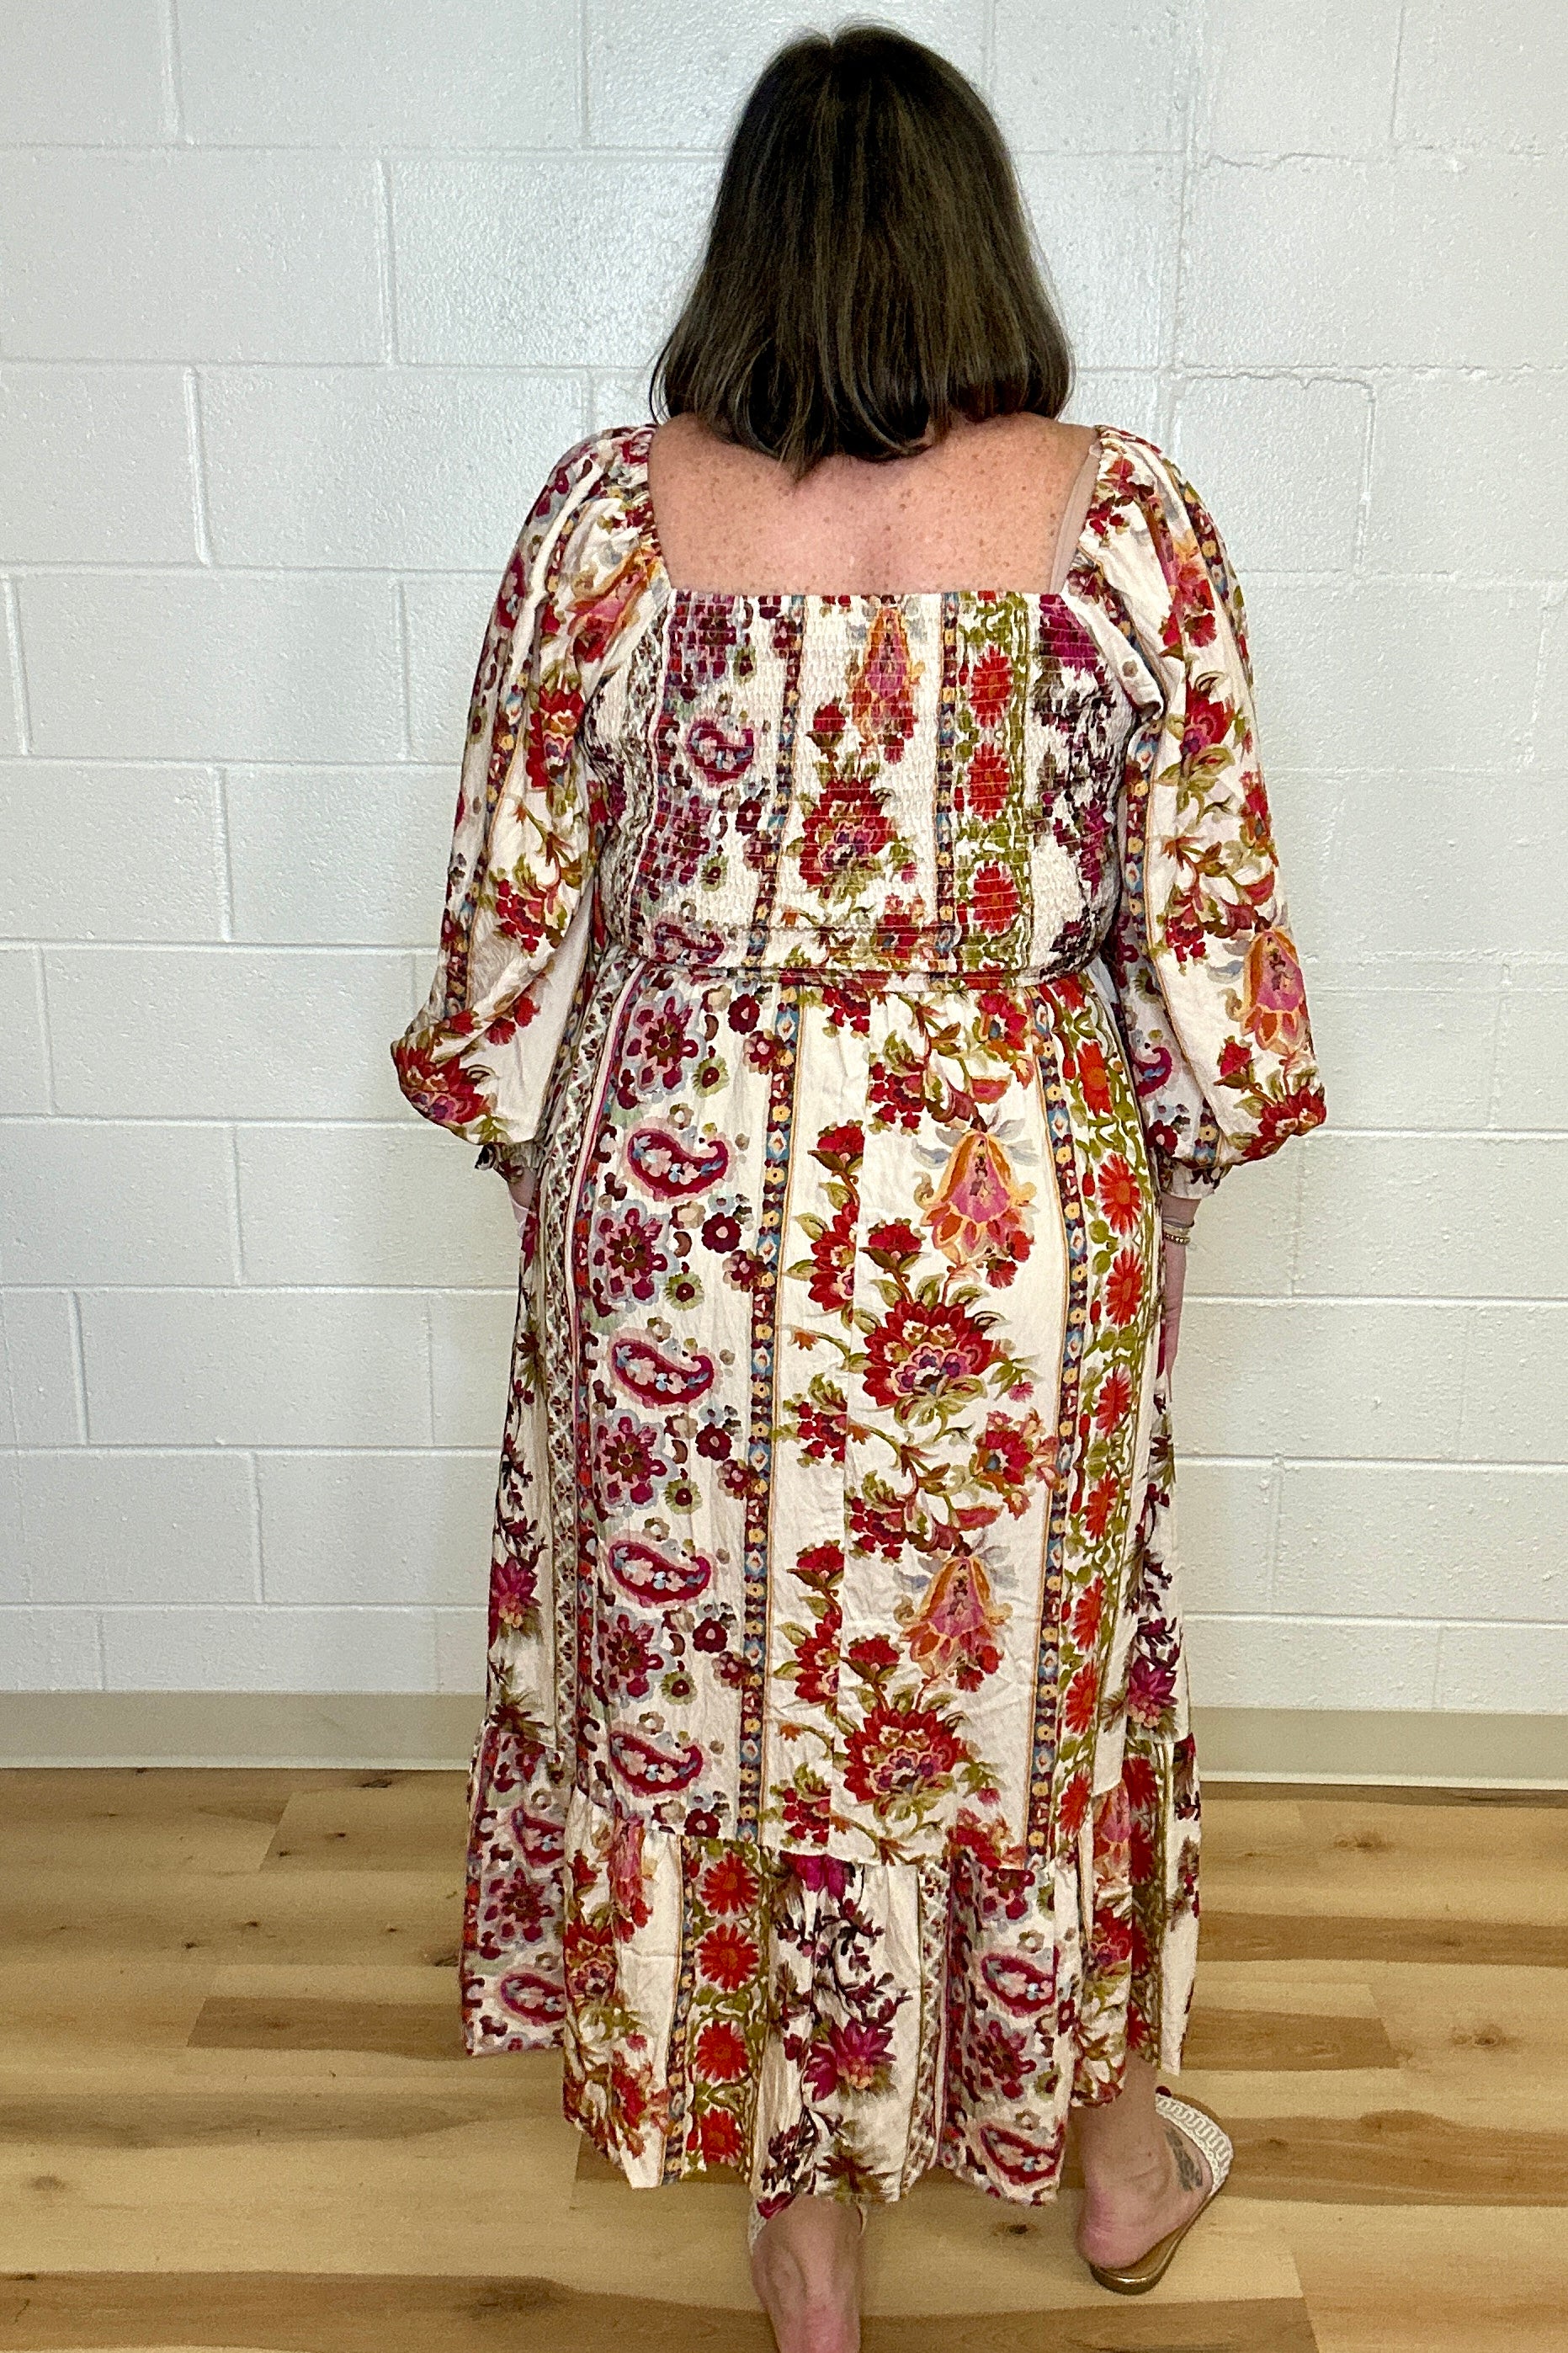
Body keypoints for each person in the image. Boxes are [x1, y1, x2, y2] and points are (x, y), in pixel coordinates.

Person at [391, 24, 1326, 2350]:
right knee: (1036, 1686)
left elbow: (508, 937)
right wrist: (1160, 1192)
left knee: (708, 1701)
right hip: (1006, 1216)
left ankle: (804, 2250)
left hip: (671, 1203)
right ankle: (1114, 2156)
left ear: (750, 248)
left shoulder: (608, 522)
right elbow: (1208, 953)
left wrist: (575, 1176)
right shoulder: (1126, 523)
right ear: (978, 238)